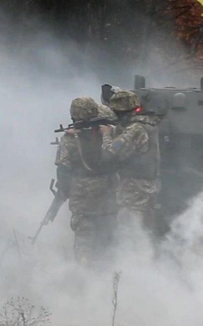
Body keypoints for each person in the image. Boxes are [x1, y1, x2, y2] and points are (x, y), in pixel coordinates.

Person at [54, 97, 118, 266]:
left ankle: (84, 273)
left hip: (81, 197)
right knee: (106, 236)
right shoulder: (106, 132)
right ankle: (108, 274)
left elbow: (63, 168)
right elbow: (114, 157)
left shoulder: (69, 138)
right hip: (107, 195)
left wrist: (63, 192)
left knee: (83, 237)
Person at [101, 89, 162, 235]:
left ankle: (130, 257)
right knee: (144, 230)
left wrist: (106, 135)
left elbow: (110, 153)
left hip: (134, 188)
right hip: (146, 186)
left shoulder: (136, 129)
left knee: (129, 229)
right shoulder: (148, 123)